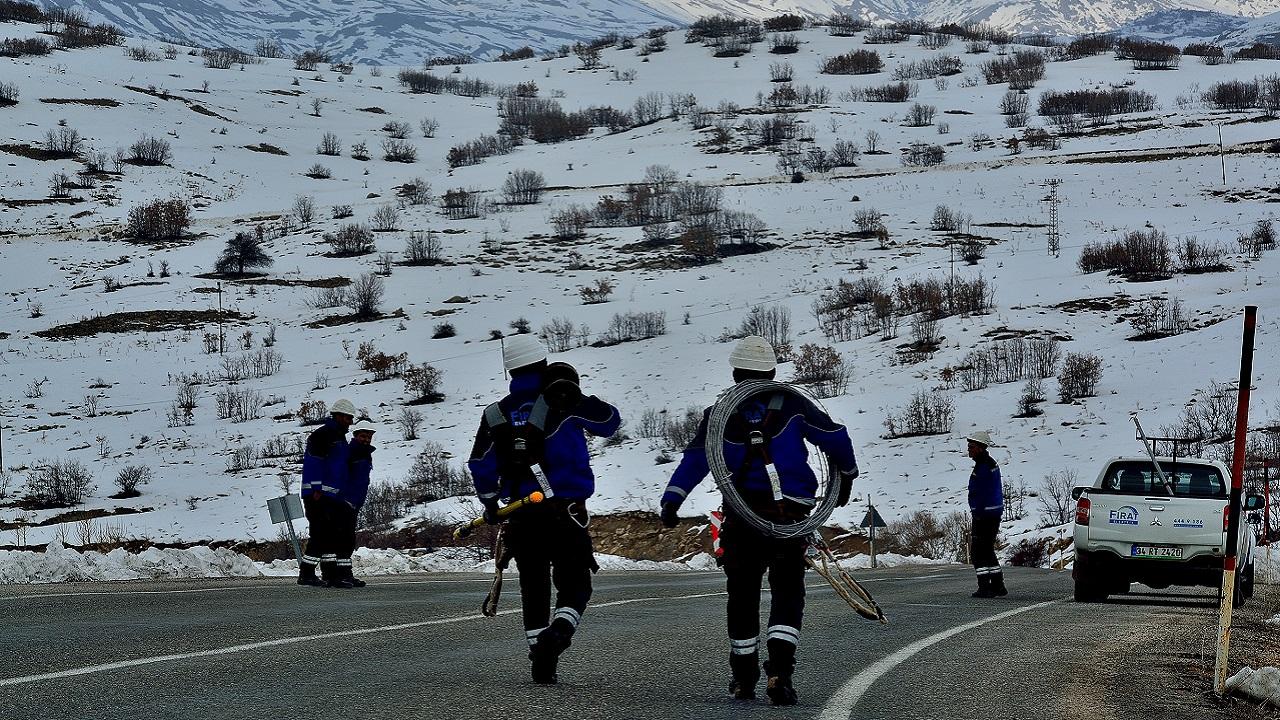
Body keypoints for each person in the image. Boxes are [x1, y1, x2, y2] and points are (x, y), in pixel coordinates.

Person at [658, 336, 859, 706]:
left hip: (742, 517)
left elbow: (696, 460)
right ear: (771, 372)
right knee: (787, 593)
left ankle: (743, 677)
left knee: (743, 595)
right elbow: (835, 437)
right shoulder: (795, 405)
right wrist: (847, 474)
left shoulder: (719, 415)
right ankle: (780, 672)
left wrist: (672, 499)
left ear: (735, 373)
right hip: (789, 516)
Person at [467, 335, 621, 684]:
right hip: (564, 510)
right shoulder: (564, 399)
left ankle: (540, 658)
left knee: (533, 588)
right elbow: (610, 421)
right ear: (544, 362)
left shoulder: (495, 414)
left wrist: (491, 504)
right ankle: (560, 632)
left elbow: (480, 465)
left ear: (510, 369)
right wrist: (579, 397)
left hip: (520, 514)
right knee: (575, 582)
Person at [299, 398, 355, 587]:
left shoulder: (339, 437)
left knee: (331, 535)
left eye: (351, 418)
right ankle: (306, 573)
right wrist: (315, 488)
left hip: (332, 496)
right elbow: (314, 461)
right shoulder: (323, 435)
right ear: (338, 416)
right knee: (320, 534)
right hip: (318, 495)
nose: (350, 422)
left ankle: (330, 575)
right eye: (348, 418)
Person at [329, 421, 377, 589]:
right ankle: (334, 576)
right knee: (341, 540)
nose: (366, 439)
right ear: (355, 436)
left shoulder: (365, 454)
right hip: (343, 503)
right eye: (363, 436)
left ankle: (345, 575)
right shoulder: (349, 452)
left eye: (369, 437)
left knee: (348, 541)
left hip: (354, 503)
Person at [966, 431, 1006, 598]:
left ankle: (985, 587)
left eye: (972, 447)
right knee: (987, 550)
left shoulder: (983, 466)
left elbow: (981, 492)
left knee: (978, 551)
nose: (969, 450)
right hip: (990, 513)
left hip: (985, 514)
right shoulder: (987, 463)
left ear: (981, 448)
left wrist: (978, 512)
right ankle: (997, 585)